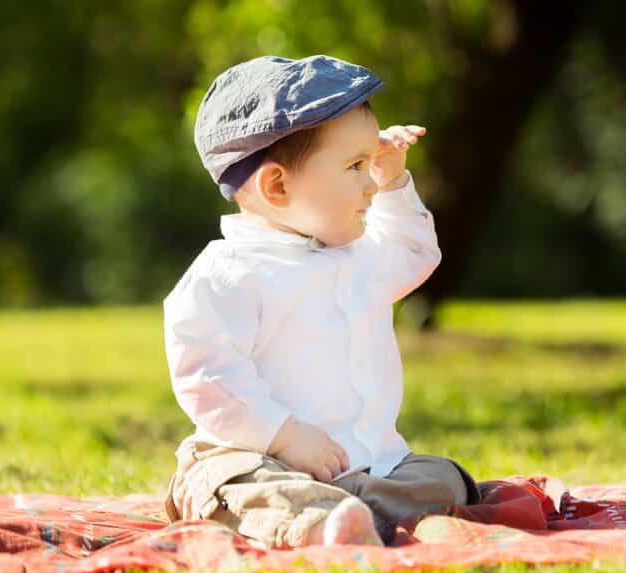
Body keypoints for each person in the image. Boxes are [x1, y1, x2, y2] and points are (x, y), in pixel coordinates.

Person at [161, 55, 479, 547]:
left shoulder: (358, 254)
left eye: (370, 165)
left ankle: (358, 517)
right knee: (240, 486)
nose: (370, 185)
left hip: (362, 462)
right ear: (277, 185)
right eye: (356, 166)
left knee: (444, 477)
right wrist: (284, 436)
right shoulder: (228, 274)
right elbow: (207, 374)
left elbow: (414, 253)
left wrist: (396, 182)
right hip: (256, 455)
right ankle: (326, 524)